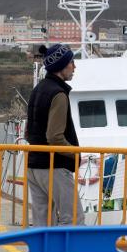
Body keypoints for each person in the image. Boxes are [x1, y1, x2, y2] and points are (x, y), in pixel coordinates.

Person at [26, 43, 85, 227]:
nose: (74, 67)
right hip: (54, 166)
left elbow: (28, 132)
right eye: (71, 63)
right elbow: (54, 137)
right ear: (61, 66)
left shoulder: (38, 89)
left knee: (42, 223)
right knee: (73, 219)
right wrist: (75, 153)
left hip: (34, 166)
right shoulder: (58, 94)